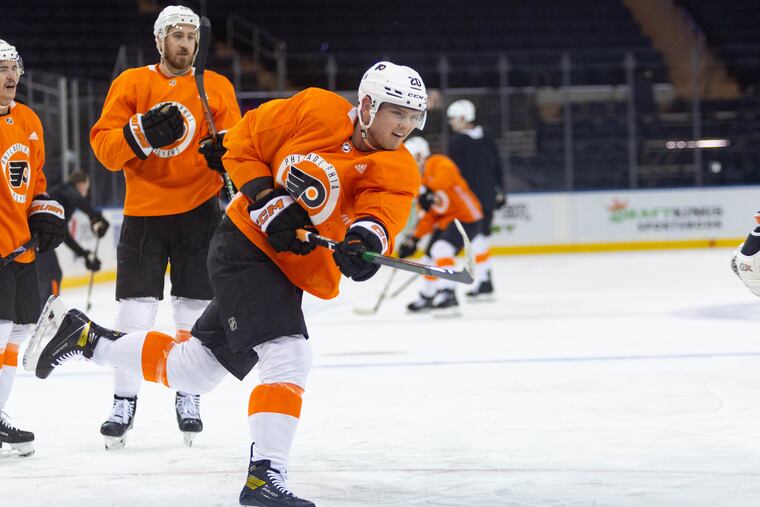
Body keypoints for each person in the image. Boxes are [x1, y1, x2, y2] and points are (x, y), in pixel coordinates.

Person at [26, 60, 427, 506]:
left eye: (414, 116)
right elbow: (243, 141)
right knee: (288, 354)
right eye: (397, 112)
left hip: (290, 273)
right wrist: (266, 197)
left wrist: (362, 244)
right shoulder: (314, 108)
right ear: (367, 105)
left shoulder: (398, 168)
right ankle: (264, 478)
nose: (405, 126)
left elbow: (379, 215)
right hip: (245, 247)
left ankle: (85, 337)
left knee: (193, 370)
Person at [89, 5, 241, 449]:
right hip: (144, 213)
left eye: (191, 36)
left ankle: (188, 392)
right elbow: (105, 148)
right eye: (177, 35)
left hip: (200, 213)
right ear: (159, 41)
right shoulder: (132, 82)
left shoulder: (216, 86)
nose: (186, 43)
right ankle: (123, 400)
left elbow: (240, 147)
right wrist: (139, 135)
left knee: (193, 315)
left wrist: (226, 155)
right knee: (133, 316)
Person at [0, 39, 66, 457]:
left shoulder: (28, 119)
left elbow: (36, 180)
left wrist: (44, 209)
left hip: (21, 249)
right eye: (1, 69)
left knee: (19, 332)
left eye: (14, 69)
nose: (10, 77)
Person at [398, 136, 490, 313]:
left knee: (441, 249)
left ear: (420, 155)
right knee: (428, 258)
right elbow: (428, 216)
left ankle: (448, 293)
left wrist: (428, 190)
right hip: (446, 220)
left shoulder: (438, 162)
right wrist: (415, 238)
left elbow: (445, 177)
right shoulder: (419, 182)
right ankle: (428, 296)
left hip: (467, 217)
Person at [446, 99, 505, 298]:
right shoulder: (459, 140)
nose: (450, 122)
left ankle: (484, 280)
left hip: (482, 198)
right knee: (479, 238)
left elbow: (496, 164)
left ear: (464, 117)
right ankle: (484, 280)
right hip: (472, 199)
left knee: (480, 238)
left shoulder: (474, 138)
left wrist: (501, 190)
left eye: (453, 118)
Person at [36, 170, 110, 305]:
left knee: (50, 274)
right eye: (86, 188)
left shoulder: (63, 200)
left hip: (37, 242)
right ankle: (49, 312)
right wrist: (96, 216)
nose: (86, 193)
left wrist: (84, 254)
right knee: (52, 274)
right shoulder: (66, 190)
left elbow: (64, 235)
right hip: (36, 241)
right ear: (80, 184)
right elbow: (77, 199)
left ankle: (44, 311)